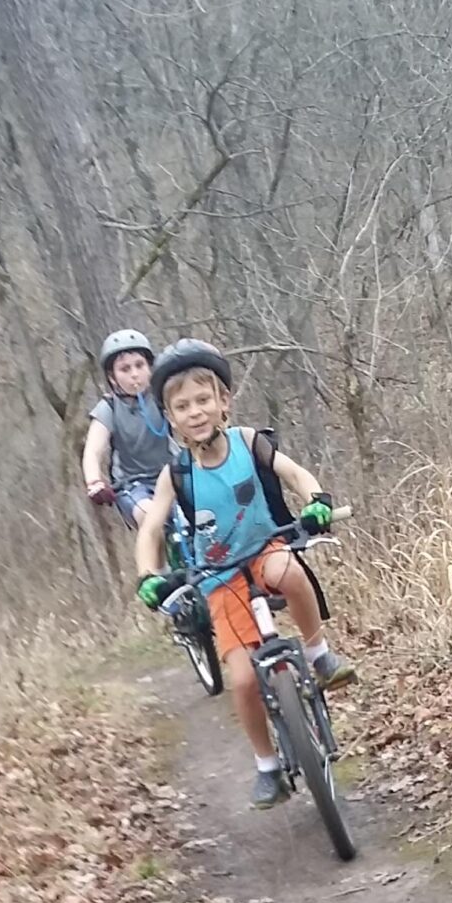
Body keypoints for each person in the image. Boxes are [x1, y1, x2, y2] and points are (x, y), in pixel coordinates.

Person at [134, 340, 353, 809]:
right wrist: (147, 575)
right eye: (182, 406)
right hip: (217, 575)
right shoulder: (176, 475)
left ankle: (319, 655)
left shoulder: (249, 443)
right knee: (243, 681)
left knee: (290, 573)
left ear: (224, 401)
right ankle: (268, 767)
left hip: (264, 546)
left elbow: (295, 475)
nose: (195, 412)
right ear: (170, 418)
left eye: (203, 400)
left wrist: (316, 501)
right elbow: (152, 527)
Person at [82, 329, 170, 529]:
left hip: (171, 476)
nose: (134, 374)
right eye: (125, 369)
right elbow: (93, 451)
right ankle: (155, 561)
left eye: (139, 365)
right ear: (113, 378)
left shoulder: (163, 397)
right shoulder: (109, 407)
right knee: (152, 518)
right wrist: (94, 482)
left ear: (150, 367)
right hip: (133, 485)